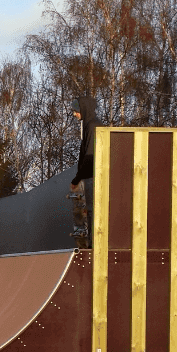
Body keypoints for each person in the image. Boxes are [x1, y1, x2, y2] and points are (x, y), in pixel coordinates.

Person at [69, 96, 104, 248]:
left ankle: (93, 245)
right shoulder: (91, 125)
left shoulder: (92, 126)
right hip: (91, 175)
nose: (74, 115)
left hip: (92, 176)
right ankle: (92, 243)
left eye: (76, 111)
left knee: (91, 211)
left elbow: (89, 156)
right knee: (90, 211)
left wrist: (77, 179)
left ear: (83, 110)